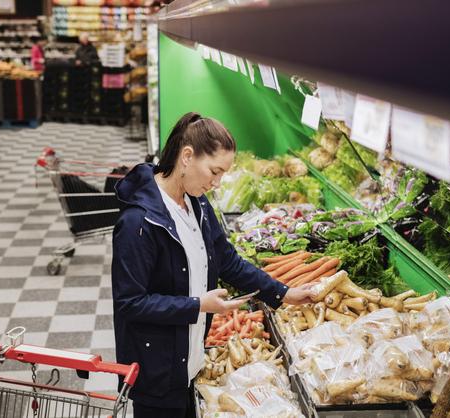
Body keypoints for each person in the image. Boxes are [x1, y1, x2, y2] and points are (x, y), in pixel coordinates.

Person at [111, 112, 315, 417]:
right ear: (187, 156)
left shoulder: (197, 205)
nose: (217, 183)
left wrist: (284, 293)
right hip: (156, 373)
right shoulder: (138, 222)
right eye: (214, 172)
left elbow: (227, 261)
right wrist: (197, 305)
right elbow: (130, 303)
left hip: (189, 362)